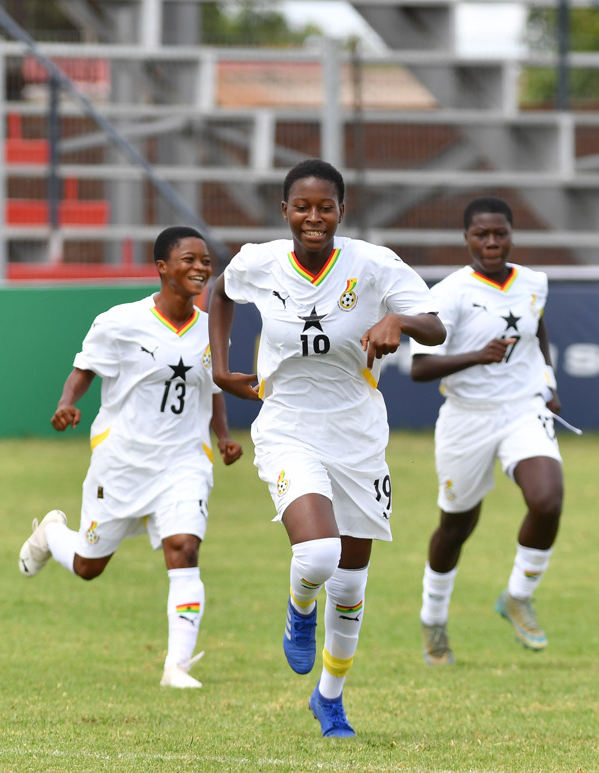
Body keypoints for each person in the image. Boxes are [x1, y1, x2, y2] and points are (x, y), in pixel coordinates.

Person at [206, 158, 445, 738]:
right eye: (302, 207)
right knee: (317, 555)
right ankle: (298, 611)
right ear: (284, 211)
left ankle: (330, 698)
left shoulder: (373, 263)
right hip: (287, 425)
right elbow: (219, 292)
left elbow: (437, 325)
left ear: (342, 211)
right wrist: (220, 366)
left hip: (359, 435)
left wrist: (399, 321)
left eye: (326, 207)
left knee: (353, 582)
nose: (314, 217)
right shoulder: (260, 261)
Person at [18, 225, 243, 689]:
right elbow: (84, 370)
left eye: (206, 261)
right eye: (189, 259)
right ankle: (51, 534)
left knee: (185, 548)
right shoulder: (119, 321)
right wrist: (67, 403)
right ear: (162, 267)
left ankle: (176, 667)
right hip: (122, 462)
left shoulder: (211, 328)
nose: (201, 268)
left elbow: (213, 385)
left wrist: (223, 437)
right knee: (88, 567)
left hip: (184, 461)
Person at [409, 196, 564, 665]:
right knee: (456, 526)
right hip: (466, 416)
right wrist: (477, 355)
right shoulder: (449, 293)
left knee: (547, 499)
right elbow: (419, 368)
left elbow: (539, 331)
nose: (491, 242)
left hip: (522, 408)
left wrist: (548, 382)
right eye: (482, 234)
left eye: (500, 234)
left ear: (511, 235)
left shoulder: (534, 282)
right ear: (467, 238)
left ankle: (518, 594)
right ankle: (433, 619)